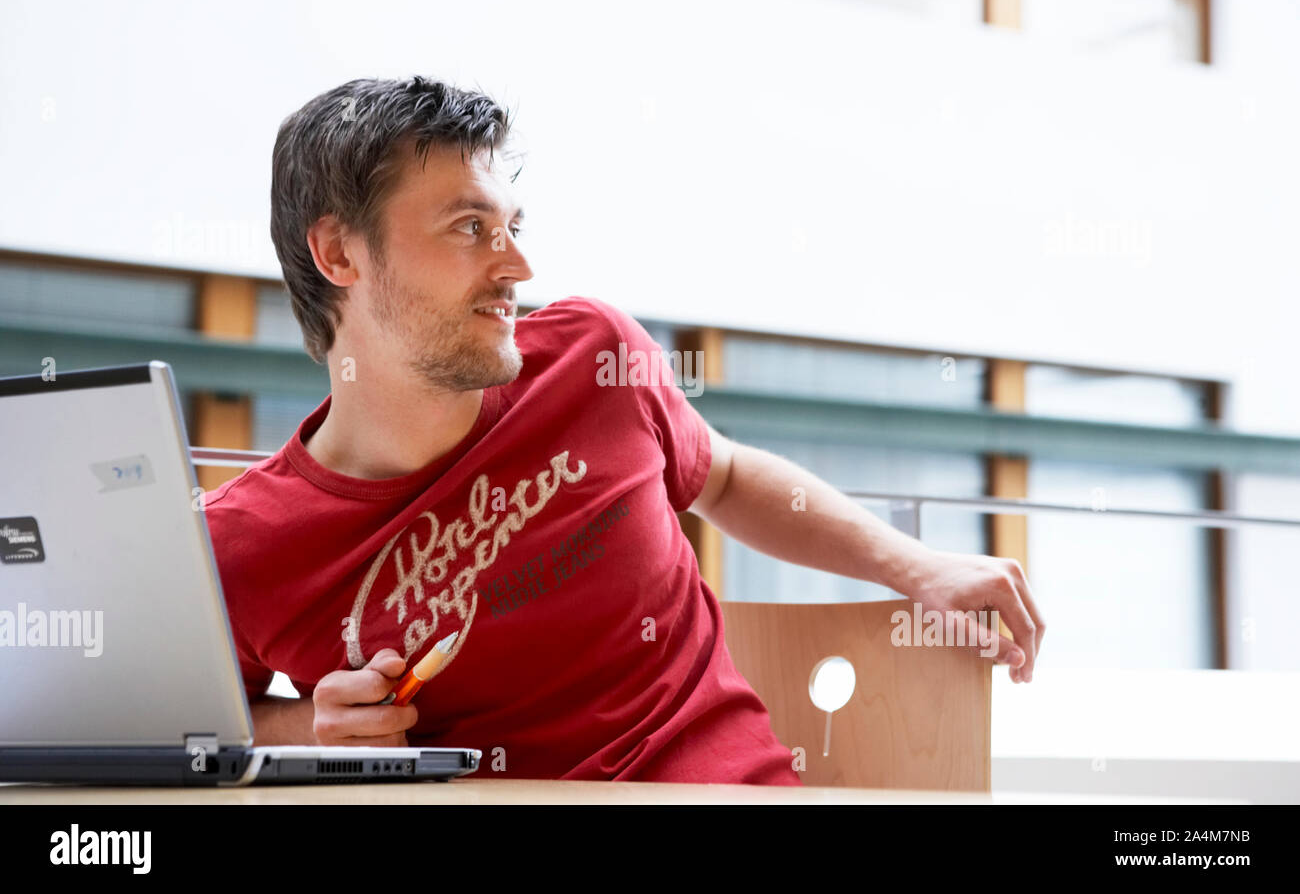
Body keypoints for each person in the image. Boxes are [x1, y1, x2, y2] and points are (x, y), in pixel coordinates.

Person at [204, 75, 1044, 785]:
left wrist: (918, 568)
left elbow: (722, 475)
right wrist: (303, 728)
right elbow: (189, 726)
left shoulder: (594, 358)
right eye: (469, 229)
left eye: (513, 228)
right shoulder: (239, 544)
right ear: (339, 255)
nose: (517, 266)